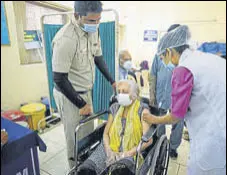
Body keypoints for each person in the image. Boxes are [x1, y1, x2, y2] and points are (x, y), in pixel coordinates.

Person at [143, 25, 226, 175]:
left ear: (169, 51)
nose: (163, 61)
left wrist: (152, 118)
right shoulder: (203, 56)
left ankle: (173, 147)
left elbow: (176, 116)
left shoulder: (183, 69)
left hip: (214, 138)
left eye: (163, 57)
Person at [52, 1, 116, 169]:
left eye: (98, 20)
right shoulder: (65, 39)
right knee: (74, 138)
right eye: (91, 21)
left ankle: (85, 167)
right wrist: (80, 104)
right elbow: (59, 78)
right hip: (69, 94)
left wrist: (113, 80)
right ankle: (74, 170)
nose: (95, 25)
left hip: (85, 91)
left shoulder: (94, 31)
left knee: (87, 134)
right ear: (76, 16)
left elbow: (98, 57)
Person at [77, 80, 153, 175]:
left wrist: (127, 154)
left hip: (131, 151)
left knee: (119, 171)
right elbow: (106, 133)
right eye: (119, 92)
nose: (121, 95)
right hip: (110, 146)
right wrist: (108, 150)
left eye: (124, 92)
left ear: (134, 94)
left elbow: (148, 140)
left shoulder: (142, 110)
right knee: (86, 169)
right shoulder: (115, 108)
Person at [149, 24, 184, 159]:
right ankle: (161, 144)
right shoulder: (159, 54)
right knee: (159, 119)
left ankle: (173, 147)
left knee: (178, 122)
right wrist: (152, 94)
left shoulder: (184, 57)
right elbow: (153, 75)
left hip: (178, 96)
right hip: (161, 94)